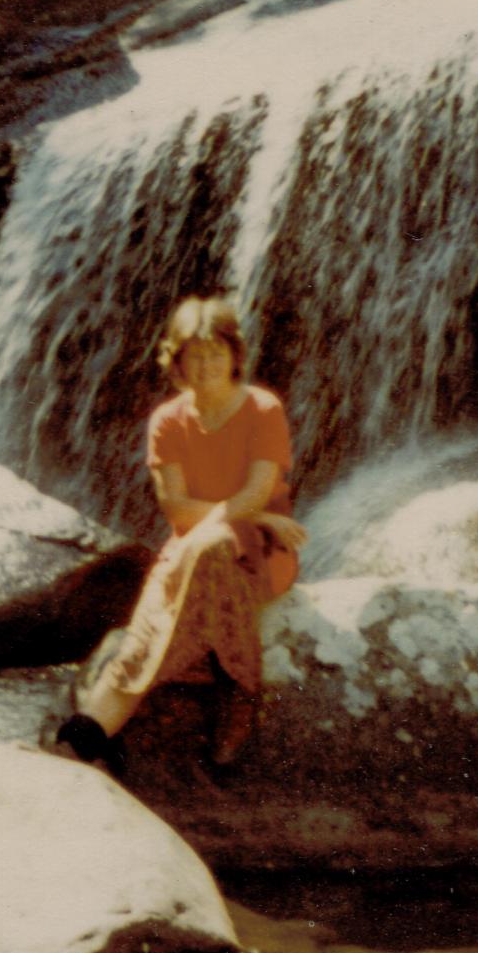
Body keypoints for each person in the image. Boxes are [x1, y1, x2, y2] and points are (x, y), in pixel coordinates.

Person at [55, 295, 306, 781]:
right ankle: (232, 692)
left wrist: (254, 521)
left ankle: (95, 727)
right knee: (192, 569)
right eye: (195, 354)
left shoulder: (262, 409)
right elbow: (174, 506)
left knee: (200, 559)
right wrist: (247, 518)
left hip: (261, 552)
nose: (207, 365)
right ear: (177, 360)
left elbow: (257, 491)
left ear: (236, 356)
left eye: (216, 353)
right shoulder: (168, 420)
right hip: (195, 547)